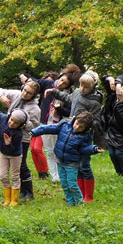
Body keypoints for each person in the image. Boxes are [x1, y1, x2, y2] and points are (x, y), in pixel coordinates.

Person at [31, 111, 104, 206]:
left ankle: (79, 203)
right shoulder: (64, 125)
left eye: (81, 127)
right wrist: (35, 131)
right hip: (60, 161)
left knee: (72, 184)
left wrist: (93, 149)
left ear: (86, 128)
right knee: (64, 184)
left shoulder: (85, 136)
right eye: (77, 123)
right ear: (74, 120)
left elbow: (83, 149)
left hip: (72, 163)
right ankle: (70, 202)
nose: (77, 127)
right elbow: (48, 128)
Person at [51, 74, 103, 202]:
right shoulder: (76, 92)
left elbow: (96, 122)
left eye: (86, 87)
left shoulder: (94, 103)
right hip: (72, 133)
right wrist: (54, 91)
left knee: (84, 165)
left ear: (93, 87)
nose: (82, 89)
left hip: (83, 137)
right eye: (80, 85)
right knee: (76, 165)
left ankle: (88, 196)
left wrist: (84, 123)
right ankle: (78, 193)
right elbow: (68, 98)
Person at [0, 80, 41, 200]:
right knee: (11, 165)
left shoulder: (35, 108)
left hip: (22, 138)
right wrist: (1, 96)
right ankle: (19, 190)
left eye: (29, 93)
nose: (25, 94)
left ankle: (28, 191)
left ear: (34, 95)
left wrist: (21, 121)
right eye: (24, 90)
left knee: (21, 164)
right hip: (7, 134)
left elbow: (34, 126)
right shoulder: (16, 95)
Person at [0, 107, 26, 207]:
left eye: (16, 123)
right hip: (4, 154)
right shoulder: (3, 119)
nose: (12, 123)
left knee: (15, 176)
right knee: (3, 176)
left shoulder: (18, 133)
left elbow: (15, 149)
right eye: (12, 119)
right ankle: (7, 199)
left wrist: (9, 143)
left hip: (15, 156)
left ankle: (14, 200)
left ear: (20, 125)